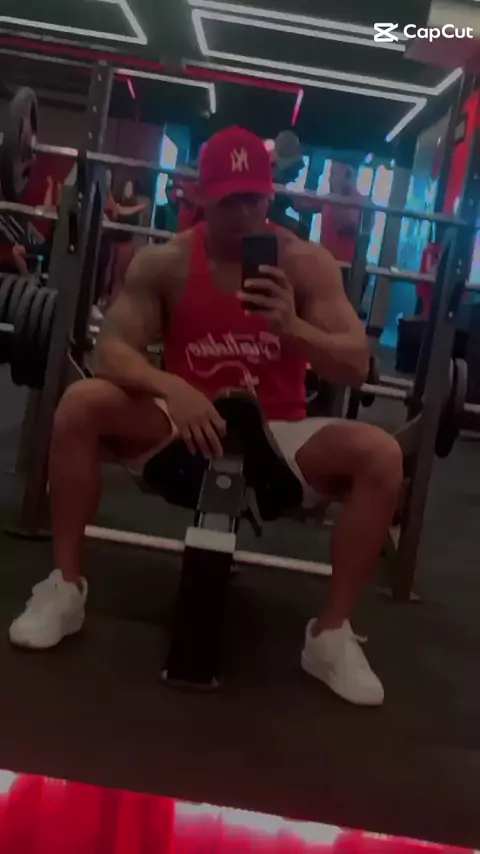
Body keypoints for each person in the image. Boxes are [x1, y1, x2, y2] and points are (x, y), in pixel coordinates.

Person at [9, 127, 403, 707]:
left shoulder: (305, 263)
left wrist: (292, 327)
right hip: (183, 423)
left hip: (281, 432)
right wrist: (171, 387)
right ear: (200, 196)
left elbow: (356, 364)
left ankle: (330, 636)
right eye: (229, 201)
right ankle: (65, 586)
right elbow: (110, 349)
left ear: (271, 195)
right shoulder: (166, 262)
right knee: (81, 403)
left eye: (254, 199)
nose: (244, 214)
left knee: (382, 455)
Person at [320, 162, 363, 265]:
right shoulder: (329, 199)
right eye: (331, 174)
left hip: (347, 266)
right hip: (325, 262)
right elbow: (303, 204)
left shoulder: (362, 202)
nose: (330, 179)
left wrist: (338, 190)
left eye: (334, 174)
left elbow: (346, 225)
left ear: (349, 174)